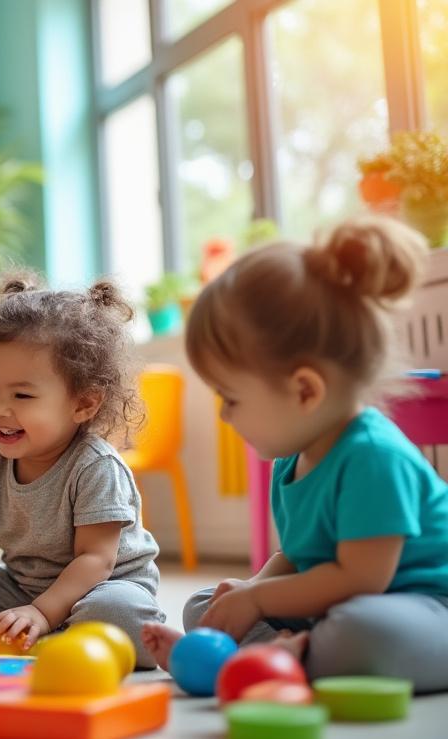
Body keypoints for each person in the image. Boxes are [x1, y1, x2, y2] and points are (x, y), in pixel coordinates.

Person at [141, 216, 448, 693]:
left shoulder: (373, 457)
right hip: (343, 600)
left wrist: (261, 599)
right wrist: (251, 590)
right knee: (207, 603)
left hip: (421, 606)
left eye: (232, 399)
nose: (225, 417)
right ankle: (286, 654)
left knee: (365, 633)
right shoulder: (295, 456)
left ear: (304, 390)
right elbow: (298, 555)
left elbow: (361, 577)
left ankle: (281, 656)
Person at [0, 274, 164, 667]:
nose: (0, 410)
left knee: (118, 614)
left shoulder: (96, 466)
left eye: (22, 395)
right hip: (21, 590)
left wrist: (44, 611)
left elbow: (96, 560)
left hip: (98, 589)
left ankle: (55, 638)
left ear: (83, 404)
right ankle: (47, 643)